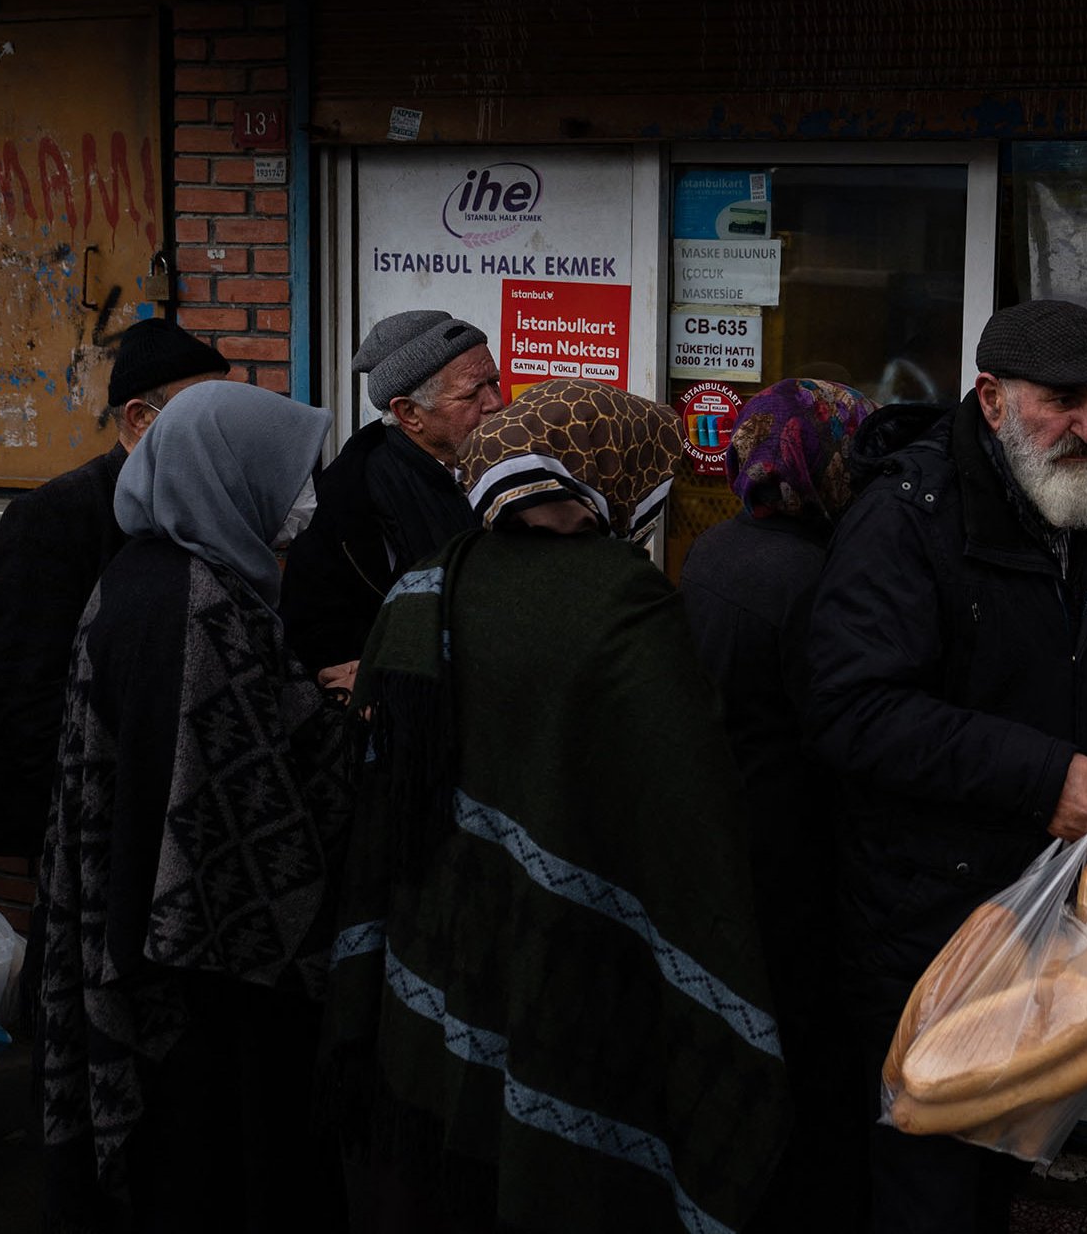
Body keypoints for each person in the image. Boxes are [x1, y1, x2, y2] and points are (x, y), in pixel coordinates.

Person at [327, 380, 790, 1234]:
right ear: (613, 476)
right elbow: (689, 818)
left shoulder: (427, 584)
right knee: (556, 1170)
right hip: (573, 961)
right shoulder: (624, 606)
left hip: (439, 938)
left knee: (441, 1175)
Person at [807, 299, 1087, 1234]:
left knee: (998, 1172)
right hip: (924, 929)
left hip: (1039, 915)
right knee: (930, 1184)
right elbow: (854, 709)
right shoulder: (905, 519)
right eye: (1063, 401)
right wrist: (1043, 777)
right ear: (991, 399)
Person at [38, 381, 351, 1233]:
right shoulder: (194, 603)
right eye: (290, 477)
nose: (305, 500)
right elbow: (233, 820)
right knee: (210, 1166)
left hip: (152, 945)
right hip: (198, 984)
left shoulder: (156, 570)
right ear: (225, 475)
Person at [679, 378, 876, 1234]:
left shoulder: (719, 546)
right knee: (808, 1062)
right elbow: (843, 728)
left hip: (730, 833)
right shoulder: (813, 576)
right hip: (795, 850)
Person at [0, 318, 230, 861]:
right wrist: (86, 816)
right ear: (139, 418)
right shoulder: (53, 515)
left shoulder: (200, 505)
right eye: (199, 408)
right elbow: (23, 686)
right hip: (81, 819)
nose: (217, 426)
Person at [281, 309, 502, 682]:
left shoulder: (513, 460)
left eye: (494, 382)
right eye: (471, 394)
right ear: (409, 413)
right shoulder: (348, 500)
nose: (495, 403)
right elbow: (316, 632)